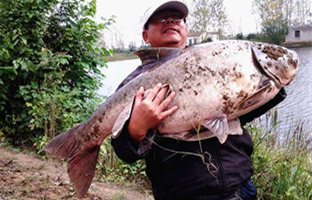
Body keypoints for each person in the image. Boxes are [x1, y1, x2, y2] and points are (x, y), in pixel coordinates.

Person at [111, 1, 286, 200]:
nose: (170, 20)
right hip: (183, 194)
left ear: (186, 29)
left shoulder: (213, 63)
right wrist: (135, 129)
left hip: (241, 186)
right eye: (161, 18)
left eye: (177, 18)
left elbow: (242, 113)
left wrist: (270, 83)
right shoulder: (134, 85)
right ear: (145, 35)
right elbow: (124, 151)